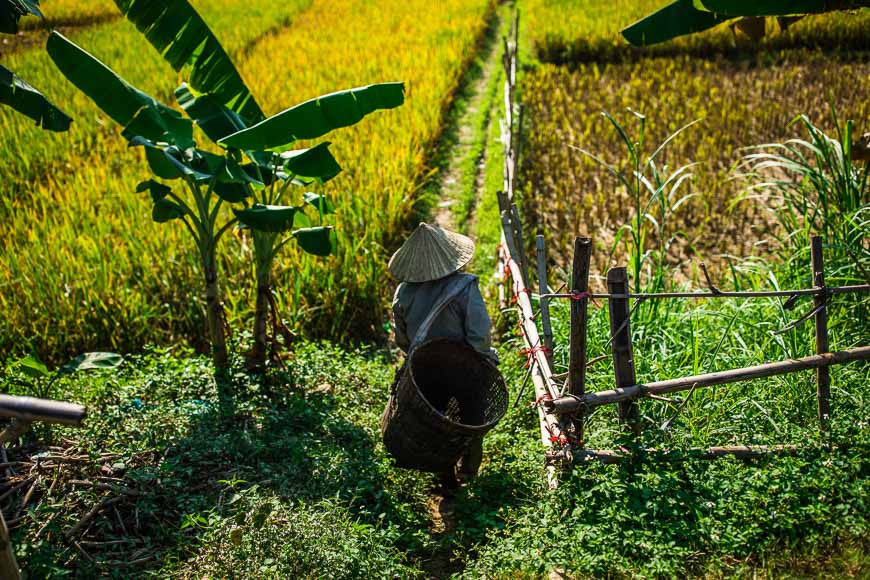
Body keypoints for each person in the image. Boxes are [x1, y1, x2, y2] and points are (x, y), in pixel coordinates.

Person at [388, 222, 498, 489]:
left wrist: (419, 355)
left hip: (424, 368)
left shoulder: (403, 291)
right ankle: (469, 470)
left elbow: (402, 337)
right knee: (472, 417)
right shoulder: (465, 287)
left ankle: (444, 475)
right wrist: (485, 357)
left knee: (436, 421)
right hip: (462, 366)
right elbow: (479, 334)